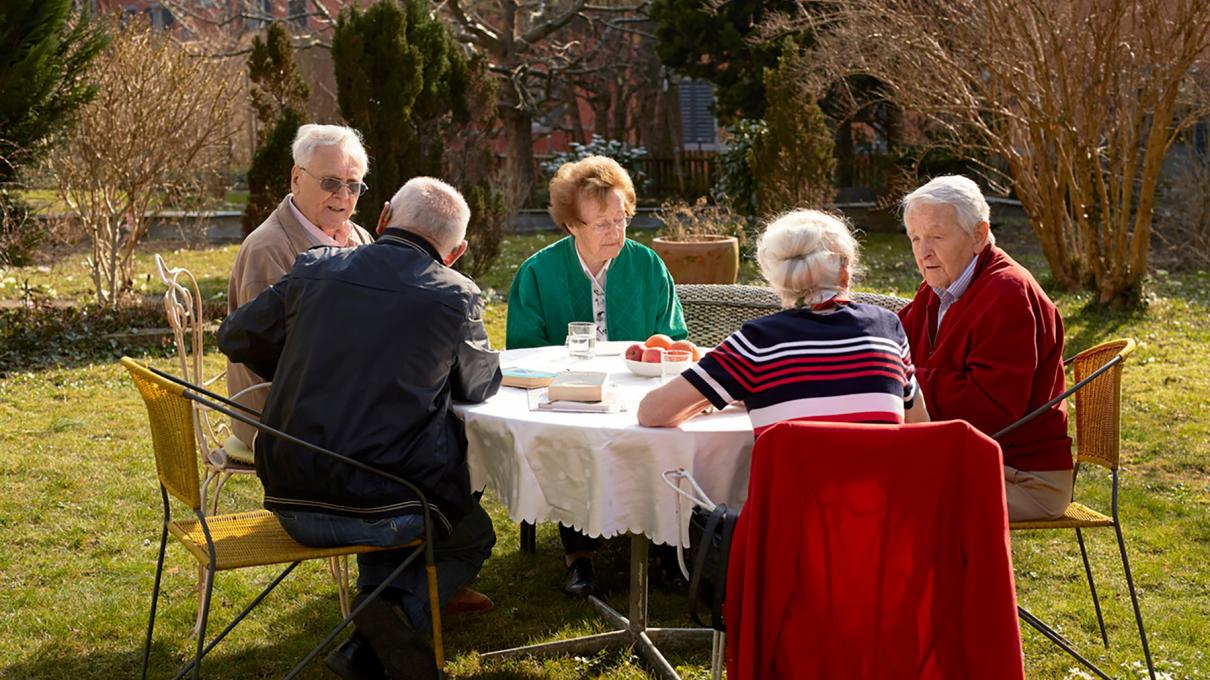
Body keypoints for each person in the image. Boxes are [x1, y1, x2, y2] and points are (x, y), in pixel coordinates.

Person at [217, 177, 500, 680]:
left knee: (403, 481)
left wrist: (306, 359)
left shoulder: (314, 268)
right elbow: (478, 388)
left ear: (385, 215)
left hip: (288, 495)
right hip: (389, 511)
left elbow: (236, 336)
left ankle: (363, 645)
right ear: (454, 253)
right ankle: (385, 621)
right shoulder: (455, 296)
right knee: (469, 531)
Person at [506, 155, 687, 598]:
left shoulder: (646, 265)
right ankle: (579, 556)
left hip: (639, 391)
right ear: (572, 226)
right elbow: (523, 352)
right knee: (573, 439)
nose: (615, 232)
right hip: (566, 393)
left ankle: (667, 550)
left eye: (621, 219)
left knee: (667, 436)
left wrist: (659, 346)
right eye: (600, 224)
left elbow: (675, 336)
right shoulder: (538, 272)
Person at [639, 209, 928, 431]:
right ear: (844, 272)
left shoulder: (758, 344)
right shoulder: (888, 330)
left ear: (776, 279)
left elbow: (652, 412)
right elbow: (920, 426)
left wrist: (735, 390)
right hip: (881, 507)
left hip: (788, 509)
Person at [896, 175, 1072, 522]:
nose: (922, 251)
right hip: (964, 458)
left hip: (1023, 476)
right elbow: (891, 349)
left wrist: (906, 382)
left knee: (887, 499)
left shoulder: (1007, 293)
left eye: (936, 236)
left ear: (978, 235)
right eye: (915, 238)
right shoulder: (939, 287)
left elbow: (990, 408)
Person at [224, 123, 375, 453]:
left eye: (353, 186)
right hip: (280, 422)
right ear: (296, 178)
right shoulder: (269, 249)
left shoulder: (360, 238)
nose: (343, 196)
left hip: (339, 405)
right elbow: (283, 361)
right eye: (330, 183)